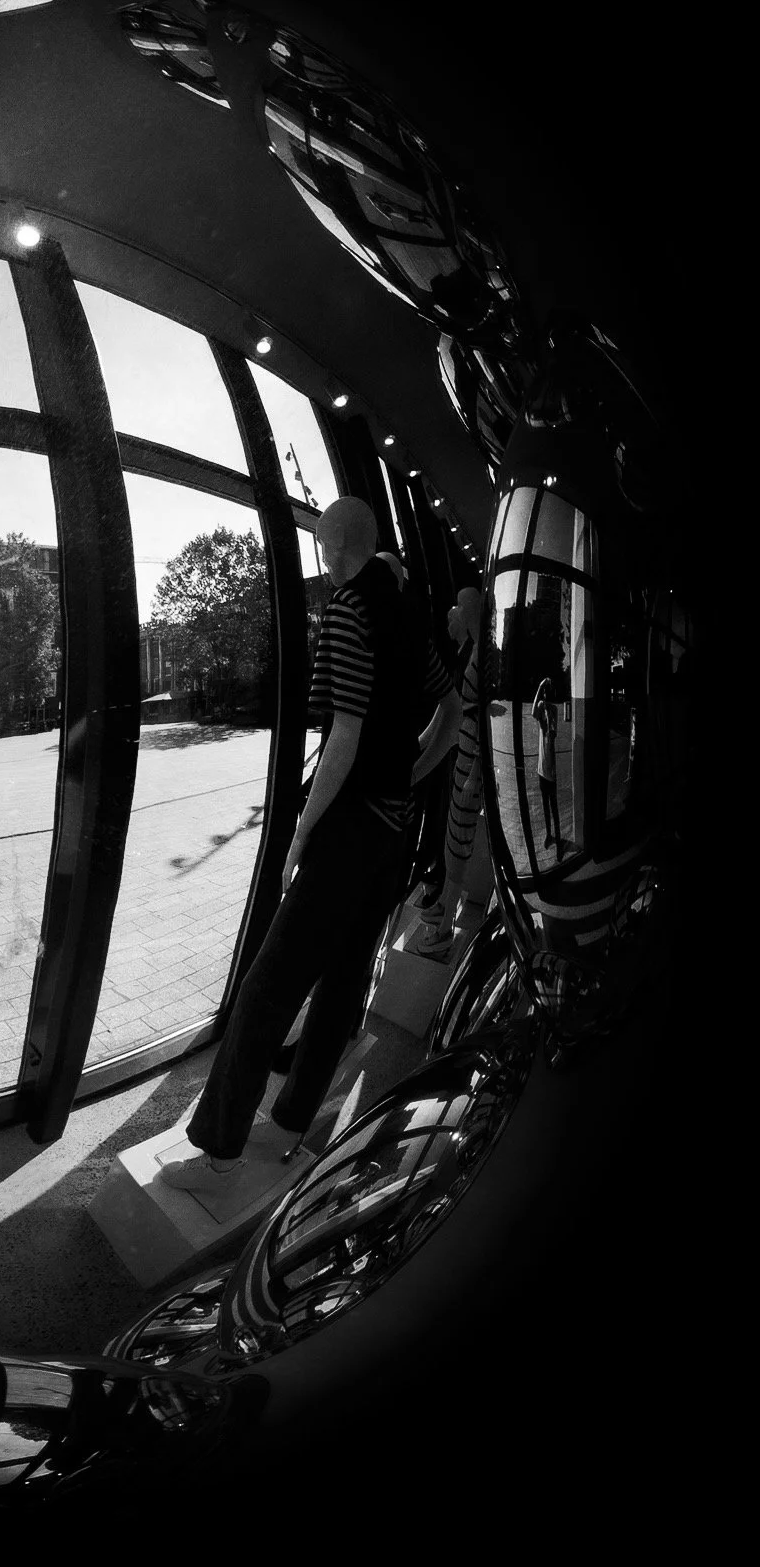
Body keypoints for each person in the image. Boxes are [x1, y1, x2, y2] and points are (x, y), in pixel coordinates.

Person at [160, 497, 458, 1201]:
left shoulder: (350, 611)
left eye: (322, 544)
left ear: (333, 547)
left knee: (267, 987)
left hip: (349, 830)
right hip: (392, 830)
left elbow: (344, 739)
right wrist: (407, 778)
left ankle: (220, 1154)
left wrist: (299, 835)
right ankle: (292, 1122)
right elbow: (451, 713)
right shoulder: (408, 612)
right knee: (344, 983)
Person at [410, 585, 486, 959]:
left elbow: (482, 715)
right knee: (450, 833)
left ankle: (443, 928)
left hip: (469, 757)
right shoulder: (466, 654)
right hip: (459, 754)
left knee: (459, 837)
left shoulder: (481, 659)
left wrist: (475, 774)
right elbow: (449, 708)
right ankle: (444, 903)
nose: (450, 617)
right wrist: (421, 745)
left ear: (468, 612)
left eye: (457, 609)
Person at [533, 676, 561, 851]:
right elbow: (533, 713)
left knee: (554, 805)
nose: (545, 695)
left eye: (547, 692)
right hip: (541, 768)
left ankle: (557, 836)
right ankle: (549, 835)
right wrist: (539, 685)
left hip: (551, 769)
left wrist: (547, 713)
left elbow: (552, 734)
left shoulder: (553, 710)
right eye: (544, 692)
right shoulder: (541, 707)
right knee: (545, 804)